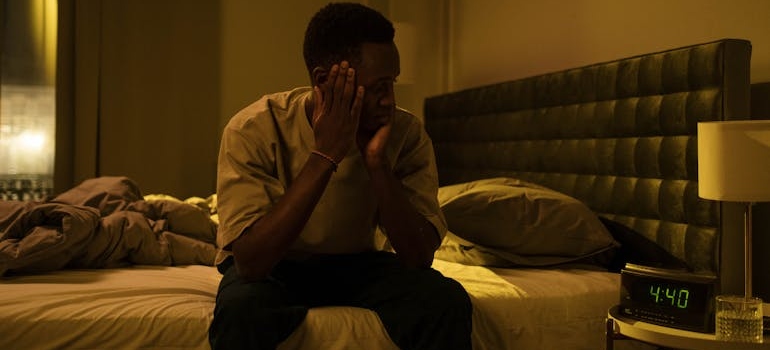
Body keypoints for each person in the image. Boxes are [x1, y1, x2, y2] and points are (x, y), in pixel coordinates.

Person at [208, 3, 473, 349]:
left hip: (356, 263)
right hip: (277, 266)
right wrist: (325, 155)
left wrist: (377, 163)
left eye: (392, 84)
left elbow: (417, 257)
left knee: (443, 300)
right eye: (378, 87)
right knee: (242, 311)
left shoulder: (405, 133)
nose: (389, 101)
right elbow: (251, 262)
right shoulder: (253, 129)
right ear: (324, 80)